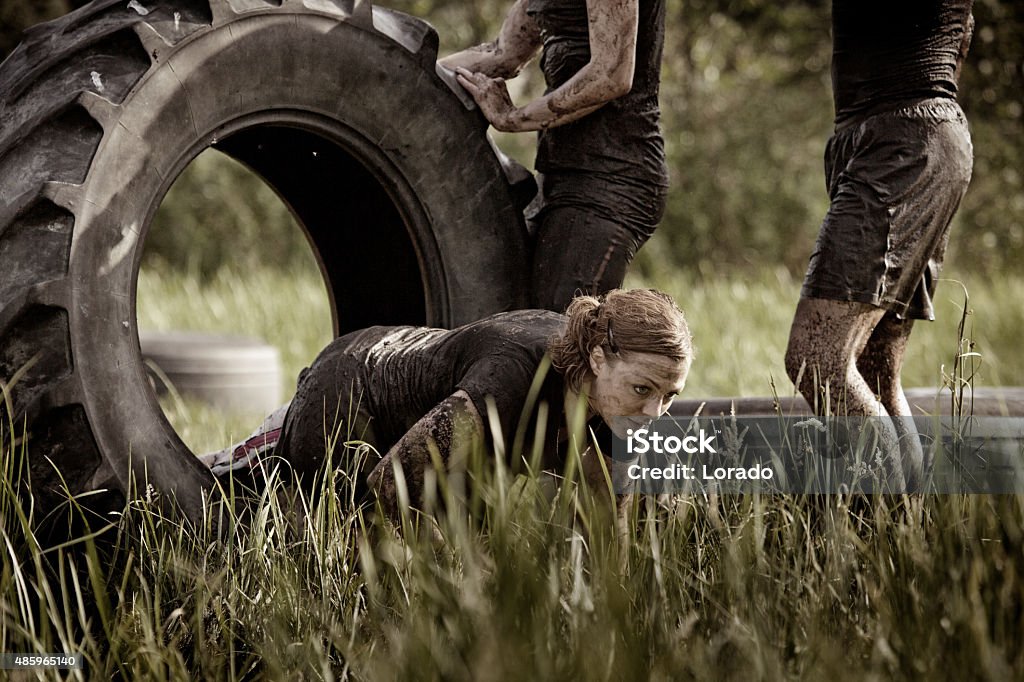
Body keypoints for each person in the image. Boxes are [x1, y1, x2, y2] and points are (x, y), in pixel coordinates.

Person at [201, 289, 693, 518]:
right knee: (294, 514)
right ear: (598, 357)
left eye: (670, 397)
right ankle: (200, 470)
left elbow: (615, 532)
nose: (654, 415)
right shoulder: (512, 381)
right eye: (643, 390)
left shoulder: (623, 415)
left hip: (435, 418)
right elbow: (389, 487)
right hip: (355, 383)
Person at [784, 0, 975, 490]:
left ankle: (877, 533)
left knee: (817, 358)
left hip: (906, 136)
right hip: (894, 136)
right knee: (872, 373)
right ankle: (903, 545)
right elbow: (965, 30)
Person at [438, 0, 669, 313]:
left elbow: (611, 73)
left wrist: (513, 117)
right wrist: (403, 73)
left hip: (611, 179)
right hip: (559, 176)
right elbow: (502, 55)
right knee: (520, 322)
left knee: (559, 337)